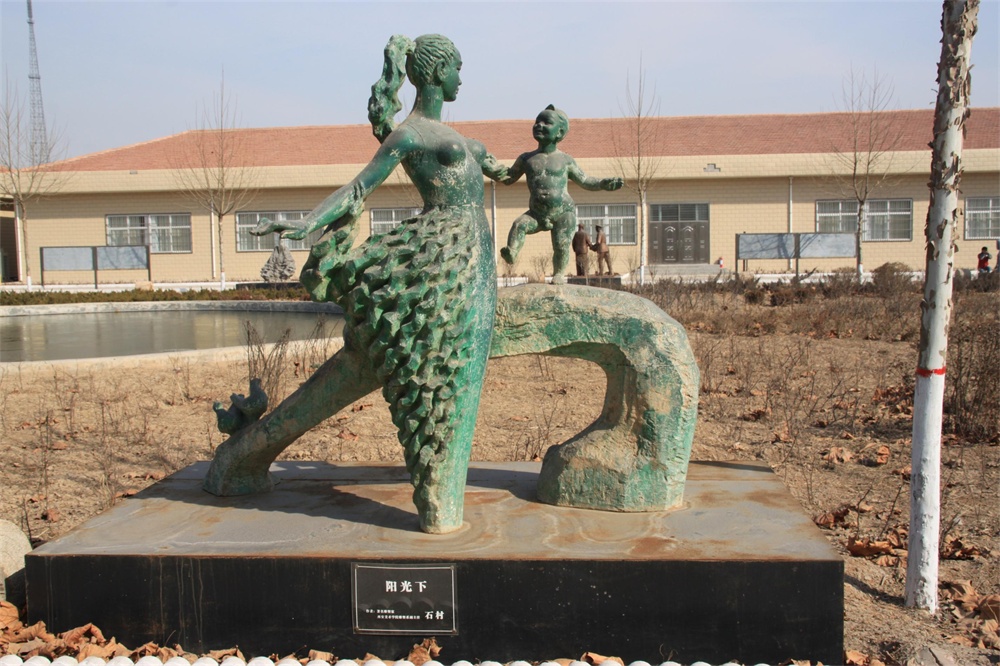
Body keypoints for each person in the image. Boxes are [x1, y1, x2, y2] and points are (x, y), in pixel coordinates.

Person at [212, 34, 507, 534]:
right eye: (457, 67)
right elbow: (357, 189)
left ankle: (440, 488)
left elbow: (507, 171)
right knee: (436, 363)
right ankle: (438, 493)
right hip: (443, 252)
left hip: (472, 250)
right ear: (437, 72)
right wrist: (307, 224)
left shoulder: (456, 136)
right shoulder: (409, 135)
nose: (462, 77)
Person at [498, 105, 623, 283]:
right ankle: (511, 251)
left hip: (563, 211)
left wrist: (603, 184)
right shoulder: (526, 159)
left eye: (546, 123)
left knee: (561, 244)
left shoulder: (565, 160)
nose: (539, 125)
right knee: (519, 225)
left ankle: (559, 274)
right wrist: (490, 167)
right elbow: (508, 178)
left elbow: (585, 180)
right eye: (537, 121)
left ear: (559, 132)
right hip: (537, 213)